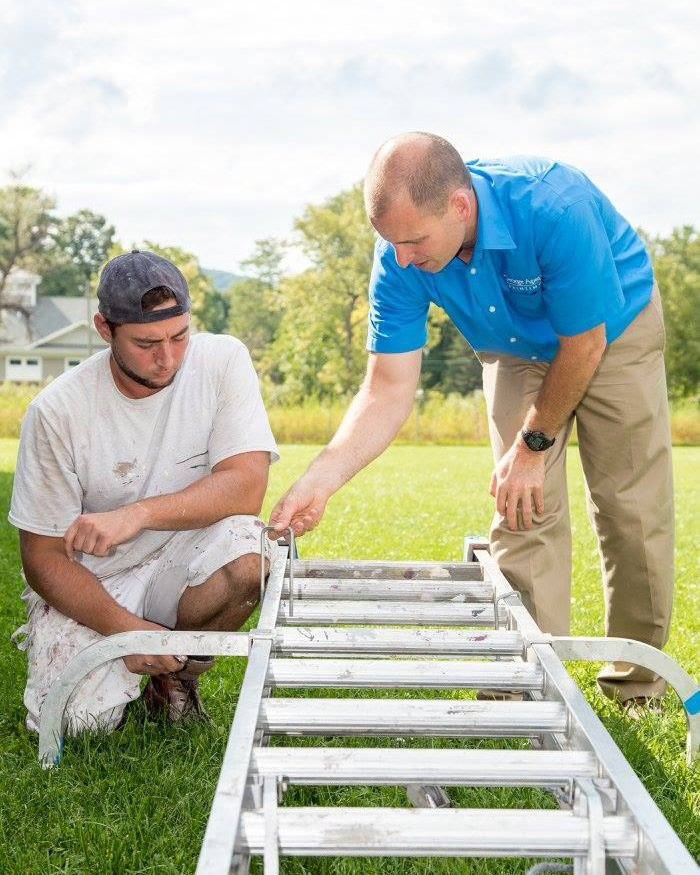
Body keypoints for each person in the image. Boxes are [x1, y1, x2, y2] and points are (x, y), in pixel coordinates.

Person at [270, 132, 674, 709]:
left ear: (460, 206)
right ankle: (526, 680)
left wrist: (533, 446)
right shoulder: (399, 256)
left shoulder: (554, 204)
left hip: (611, 332)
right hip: (513, 347)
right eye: (390, 242)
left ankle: (637, 686)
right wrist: (323, 476)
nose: (402, 258)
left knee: (629, 507)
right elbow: (386, 388)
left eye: (412, 240)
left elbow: (583, 344)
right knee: (520, 502)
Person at [10, 250, 279, 733]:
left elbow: (247, 485)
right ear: (104, 329)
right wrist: (124, 630)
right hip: (96, 578)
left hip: (185, 556)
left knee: (250, 555)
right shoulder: (56, 410)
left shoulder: (223, 360)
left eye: (179, 337)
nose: (168, 358)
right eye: (146, 342)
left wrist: (137, 514)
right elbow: (43, 558)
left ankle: (178, 676)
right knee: (75, 723)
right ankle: (138, 650)